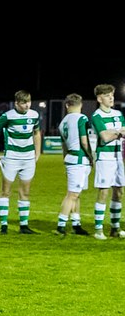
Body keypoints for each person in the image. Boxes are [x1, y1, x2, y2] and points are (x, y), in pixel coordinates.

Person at [0, 90, 42, 234]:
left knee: (25, 192)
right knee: (6, 191)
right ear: (16, 103)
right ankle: (4, 225)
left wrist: (37, 153)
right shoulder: (8, 116)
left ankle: (24, 226)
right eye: (23, 103)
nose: (27, 105)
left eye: (28, 102)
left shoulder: (34, 115)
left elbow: (37, 133)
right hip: (11, 158)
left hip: (28, 159)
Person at [56, 93, 94, 236]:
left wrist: (65, 160)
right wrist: (91, 156)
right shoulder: (81, 118)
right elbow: (84, 141)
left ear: (67, 105)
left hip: (70, 159)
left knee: (76, 194)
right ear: (81, 104)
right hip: (79, 160)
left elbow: (64, 147)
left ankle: (76, 224)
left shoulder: (62, 122)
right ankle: (61, 225)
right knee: (72, 195)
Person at [90, 84, 125, 240]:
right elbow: (104, 137)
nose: (111, 98)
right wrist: (118, 132)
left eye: (112, 95)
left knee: (119, 191)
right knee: (104, 192)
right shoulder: (97, 116)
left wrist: (114, 133)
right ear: (99, 99)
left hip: (118, 157)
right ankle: (98, 230)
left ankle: (115, 228)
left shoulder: (118, 114)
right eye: (107, 95)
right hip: (104, 158)